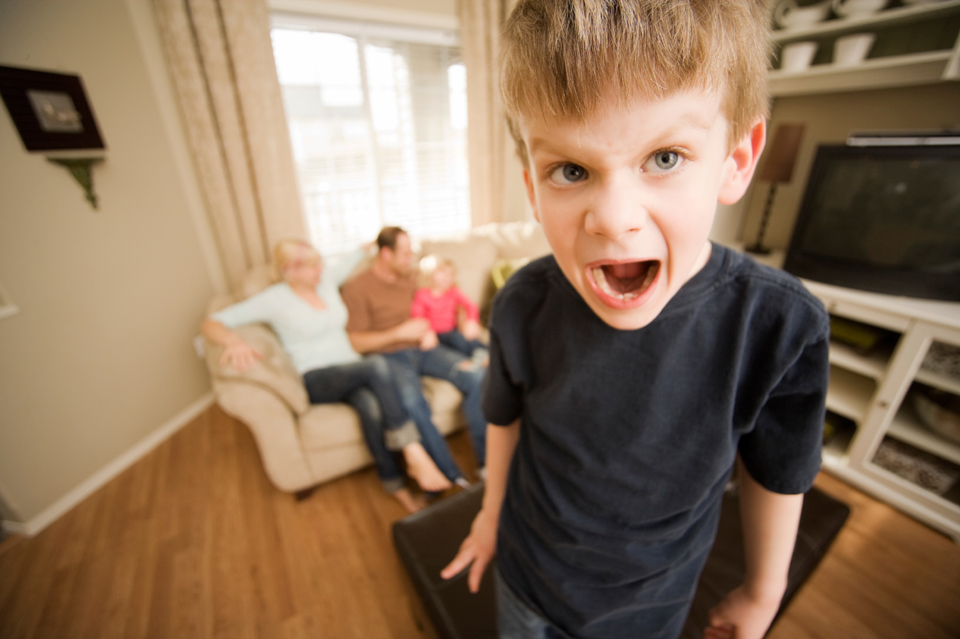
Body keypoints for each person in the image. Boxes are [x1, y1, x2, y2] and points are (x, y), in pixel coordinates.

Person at [440, 2, 829, 639]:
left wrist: (764, 591)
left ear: (735, 159)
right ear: (533, 189)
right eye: (571, 170)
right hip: (525, 578)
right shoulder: (522, 304)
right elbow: (503, 418)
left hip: (647, 611)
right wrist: (488, 515)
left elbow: (777, 474)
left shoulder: (780, 326)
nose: (613, 218)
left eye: (666, 158)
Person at [201, 238, 452, 514]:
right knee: (378, 365)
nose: (321, 268)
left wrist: (372, 245)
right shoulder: (274, 299)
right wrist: (233, 342)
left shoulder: (325, 280)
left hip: (351, 370)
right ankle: (413, 452)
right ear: (290, 270)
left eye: (320, 261)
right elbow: (213, 322)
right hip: (318, 378)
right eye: (312, 266)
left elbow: (354, 256)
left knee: (371, 408)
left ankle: (397, 487)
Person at [341, 227, 489, 482]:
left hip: (426, 347)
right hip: (391, 357)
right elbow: (357, 343)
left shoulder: (413, 277)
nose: (411, 258)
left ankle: (487, 465)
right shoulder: (358, 288)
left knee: (477, 375)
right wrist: (399, 333)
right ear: (386, 254)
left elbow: (449, 297)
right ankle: (450, 475)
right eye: (405, 253)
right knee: (413, 405)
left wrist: (465, 320)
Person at [411, 255, 488, 364]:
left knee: (465, 339)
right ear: (430, 273)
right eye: (442, 271)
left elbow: (471, 306)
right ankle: (480, 356)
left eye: (451, 274)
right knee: (455, 343)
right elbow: (418, 316)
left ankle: (487, 353)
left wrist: (471, 321)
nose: (447, 276)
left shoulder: (453, 292)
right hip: (435, 335)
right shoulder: (422, 295)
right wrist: (427, 332)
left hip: (452, 331)